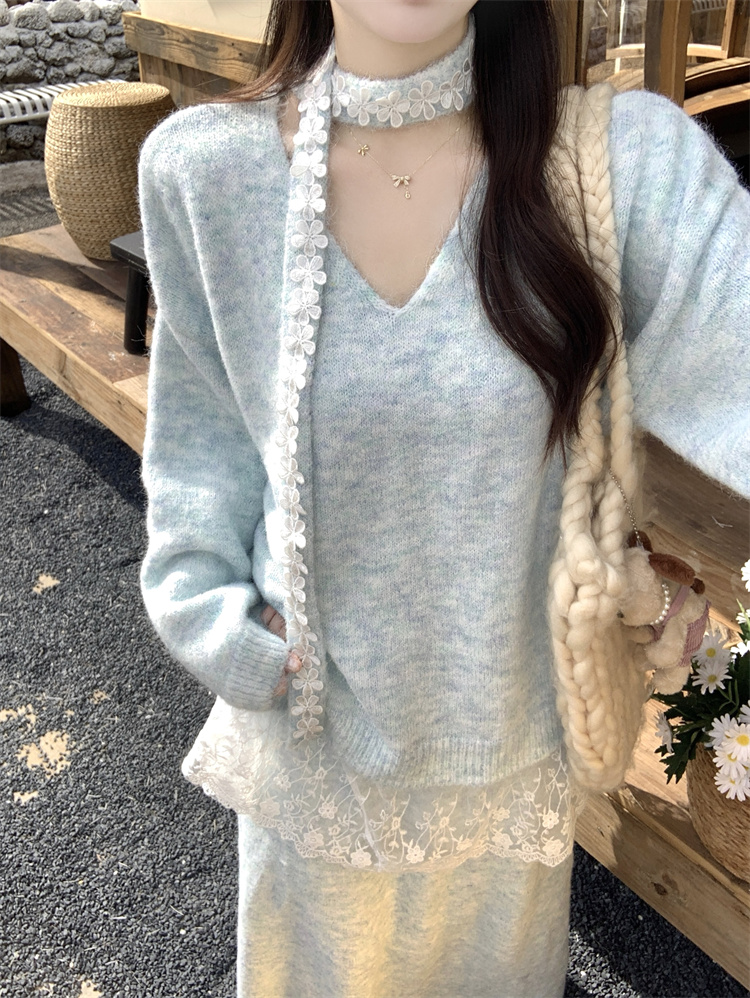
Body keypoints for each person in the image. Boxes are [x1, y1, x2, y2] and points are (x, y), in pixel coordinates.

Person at [136, 1, 750, 995]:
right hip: (309, 763)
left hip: (505, 778)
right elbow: (200, 445)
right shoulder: (205, 174)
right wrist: (212, 616)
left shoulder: (619, 166)